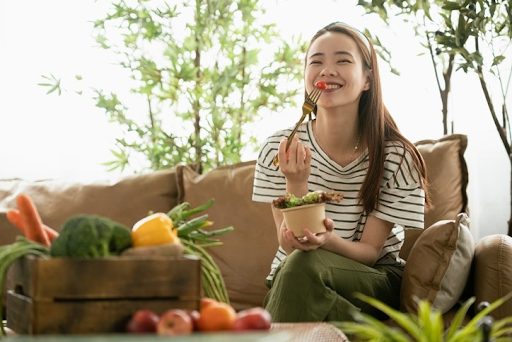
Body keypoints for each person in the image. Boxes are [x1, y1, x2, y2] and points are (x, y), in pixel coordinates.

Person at [251, 21, 430, 322]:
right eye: (316, 61)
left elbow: (371, 251)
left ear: (367, 80)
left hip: (371, 279)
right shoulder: (277, 149)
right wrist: (296, 182)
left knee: (301, 269)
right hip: (291, 276)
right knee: (298, 269)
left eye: (343, 60)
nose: (327, 70)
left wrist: (327, 241)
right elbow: (288, 244)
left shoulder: (396, 156)